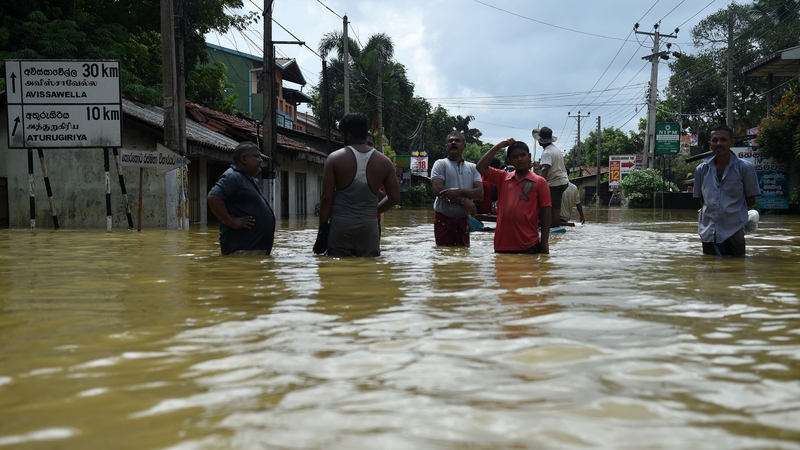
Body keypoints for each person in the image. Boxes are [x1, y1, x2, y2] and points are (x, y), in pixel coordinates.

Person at [314, 113, 400, 257]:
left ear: (348, 135)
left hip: (341, 227)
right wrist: (374, 211)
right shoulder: (385, 162)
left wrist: (322, 231)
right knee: (368, 273)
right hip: (369, 228)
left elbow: (326, 200)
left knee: (337, 272)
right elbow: (395, 199)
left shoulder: (334, 159)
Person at [693, 124, 760, 257]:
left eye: (723, 140)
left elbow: (750, 200)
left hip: (734, 232)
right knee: (708, 271)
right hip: (708, 233)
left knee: (736, 271)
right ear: (709, 144)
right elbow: (702, 200)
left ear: (732, 143)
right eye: (715, 140)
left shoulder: (745, 168)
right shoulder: (701, 170)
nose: (719, 144)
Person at [477, 138, 551, 254]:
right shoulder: (502, 177)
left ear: (529, 156)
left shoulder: (540, 182)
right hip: (502, 244)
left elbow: (546, 212)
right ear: (509, 161)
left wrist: (545, 244)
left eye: (523, 155)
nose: (520, 159)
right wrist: (498, 147)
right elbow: (480, 167)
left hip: (528, 244)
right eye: (515, 157)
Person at [207, 141, 276, 255]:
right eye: (256, 156)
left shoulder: (248, 179)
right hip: (242, 251)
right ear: (244, 159)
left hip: (253, 252)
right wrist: (232, 222)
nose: (260, 160)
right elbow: (213, 197)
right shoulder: (233, 176)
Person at [430, 131, 483, 246]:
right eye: (450, 141)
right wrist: (464, 200)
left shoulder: (473, 167)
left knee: (463, 254)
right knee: (443, 255)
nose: (453, 142)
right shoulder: (440, 164)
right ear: (446, 146)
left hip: (463, 219)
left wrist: (458, 191)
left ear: (464, 146)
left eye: (457, 141)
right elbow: (438, 190)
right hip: (443, 218)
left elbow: (479, 193)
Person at [533, 126, 569, 225]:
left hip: (556, 183)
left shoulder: (547, 152)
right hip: (562, 181)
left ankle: (554, 229)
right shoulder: (555, 148)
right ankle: (553, 227)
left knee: (554, 209)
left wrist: (538, 184)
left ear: (541, 141)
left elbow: (545, 170)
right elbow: (548, 166)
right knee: (554, 207)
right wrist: (539, 166)